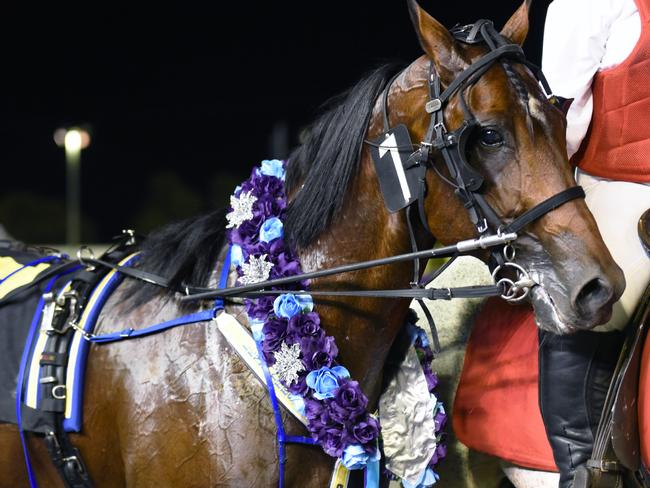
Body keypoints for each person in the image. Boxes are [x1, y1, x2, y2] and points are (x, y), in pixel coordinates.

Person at [539, 0, 650, 485]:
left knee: (586, 305)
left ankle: (587, 469)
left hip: (627, 185)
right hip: (627, 183)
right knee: (589, 300)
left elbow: (559, 124)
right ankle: (585, 466)